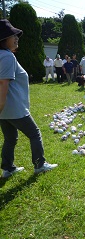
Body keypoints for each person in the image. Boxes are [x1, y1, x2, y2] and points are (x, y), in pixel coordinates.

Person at [0, 19, 58, 178]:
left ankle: (8, 168)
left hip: (4, 110)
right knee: (34, 134)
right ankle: (40, 165)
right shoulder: (6, 57)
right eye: (13, 35)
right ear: (4, 39)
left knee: (10, 138)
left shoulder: (3, 55)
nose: (16, 38)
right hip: (13, 108)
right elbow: (3, 83)